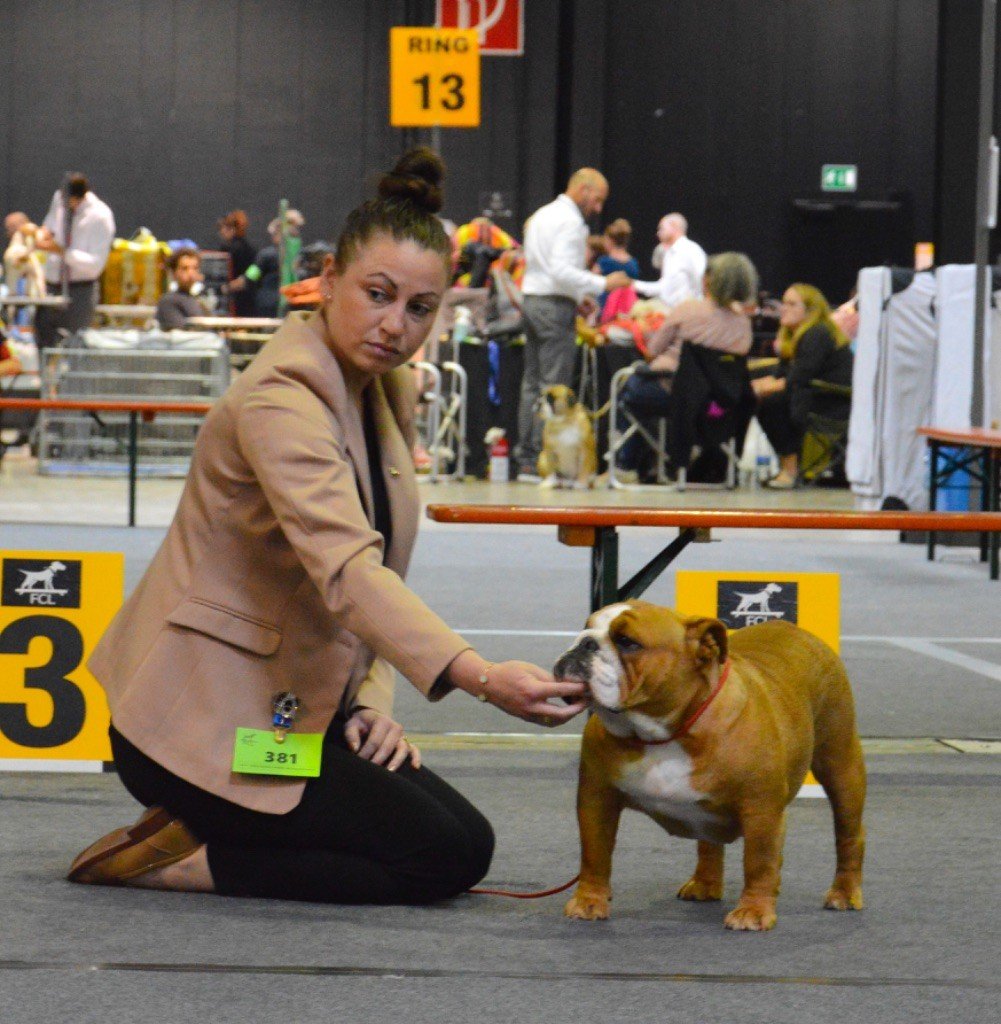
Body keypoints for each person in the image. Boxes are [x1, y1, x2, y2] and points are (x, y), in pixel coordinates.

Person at [66, 148, 588, 905]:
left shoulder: (378, 391)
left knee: (463, 841)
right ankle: (183, 860)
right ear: (328, 283)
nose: (394, 324)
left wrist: (371, 703)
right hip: (195, 722)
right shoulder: (282, 395)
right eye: (377, 294)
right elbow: (347, 574)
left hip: (285, 714)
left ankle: (219, 832)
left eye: (418, 307)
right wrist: (478, 676)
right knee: (439, 857)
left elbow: (374, 577)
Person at [515, 168, 631, 476]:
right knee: (555, 389)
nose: (599, 208)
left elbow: (547, 270)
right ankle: (545, 462)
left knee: (532, 384)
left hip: (533, 301)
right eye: (598, 199)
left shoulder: (541, 215)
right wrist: (601, 284)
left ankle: (526, 458)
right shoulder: (571, 223)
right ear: (583, 189)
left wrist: (578, 296)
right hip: (553, 309)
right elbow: (560, 270)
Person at [610, 252, 757, 482]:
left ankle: (628, 464)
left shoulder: (687, 310)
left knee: (629, 390)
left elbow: (653, 350)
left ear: (708, 280)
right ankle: (679, 452)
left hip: (674, 392)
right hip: (719, 405)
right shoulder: (744, 325)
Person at [753, 283, 854, 489]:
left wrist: (760, 388)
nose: (783, 308)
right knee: (761, 397)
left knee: (772, 403)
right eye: (783, 303)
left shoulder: (818, 333)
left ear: (810, 310)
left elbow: (797, 378)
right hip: (812, 395)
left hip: (834, 402)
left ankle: (790, 470)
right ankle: (788, 466)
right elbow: (781, 376)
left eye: (791, 304)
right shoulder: (794, 336)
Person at [33, 173, 115, 353]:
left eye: (67, 202)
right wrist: (42, 233)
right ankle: (47, 379)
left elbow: (95, 266)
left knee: (75, 347)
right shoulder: (59, 199)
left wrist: (62, 252)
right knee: (44, 342)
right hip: (51, 286)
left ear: (79, 198)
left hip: (80, 290)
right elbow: (50, 223)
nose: (63, 206)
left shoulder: (100, 216)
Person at [232, 210, 305, 317]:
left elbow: (249, 278)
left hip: (268, 308)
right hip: (294, 307)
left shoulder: (266, 255)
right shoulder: (301, 256)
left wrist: (227, 287)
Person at [634, 213, 706, 310]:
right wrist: (633, 284)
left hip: (688, 312)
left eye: (662, 229)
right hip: (670, 312)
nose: (658, 233)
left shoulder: (692, 250)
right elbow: (663, 287)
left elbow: (701, 282)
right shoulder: (669, 254)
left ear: (674, 226)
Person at [595, 218, 640, 319]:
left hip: (604, 309)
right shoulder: (633, 264)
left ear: (610, 240)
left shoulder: (604, 262)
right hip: (626, 311)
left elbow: (592, 282)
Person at [216, 210, 256, 317]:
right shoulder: (249, 248)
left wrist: (226, 288)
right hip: (248, 297)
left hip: (236, 299)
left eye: (222, 228)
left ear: (231, 229)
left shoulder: (231, 250)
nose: (220, 232)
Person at [155, 248, 206, 329]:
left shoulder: (199, 302)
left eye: (195, 268)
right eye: (184, 268)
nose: (191, 273)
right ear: (174, 273)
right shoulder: (168, 301)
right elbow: (179, 333)